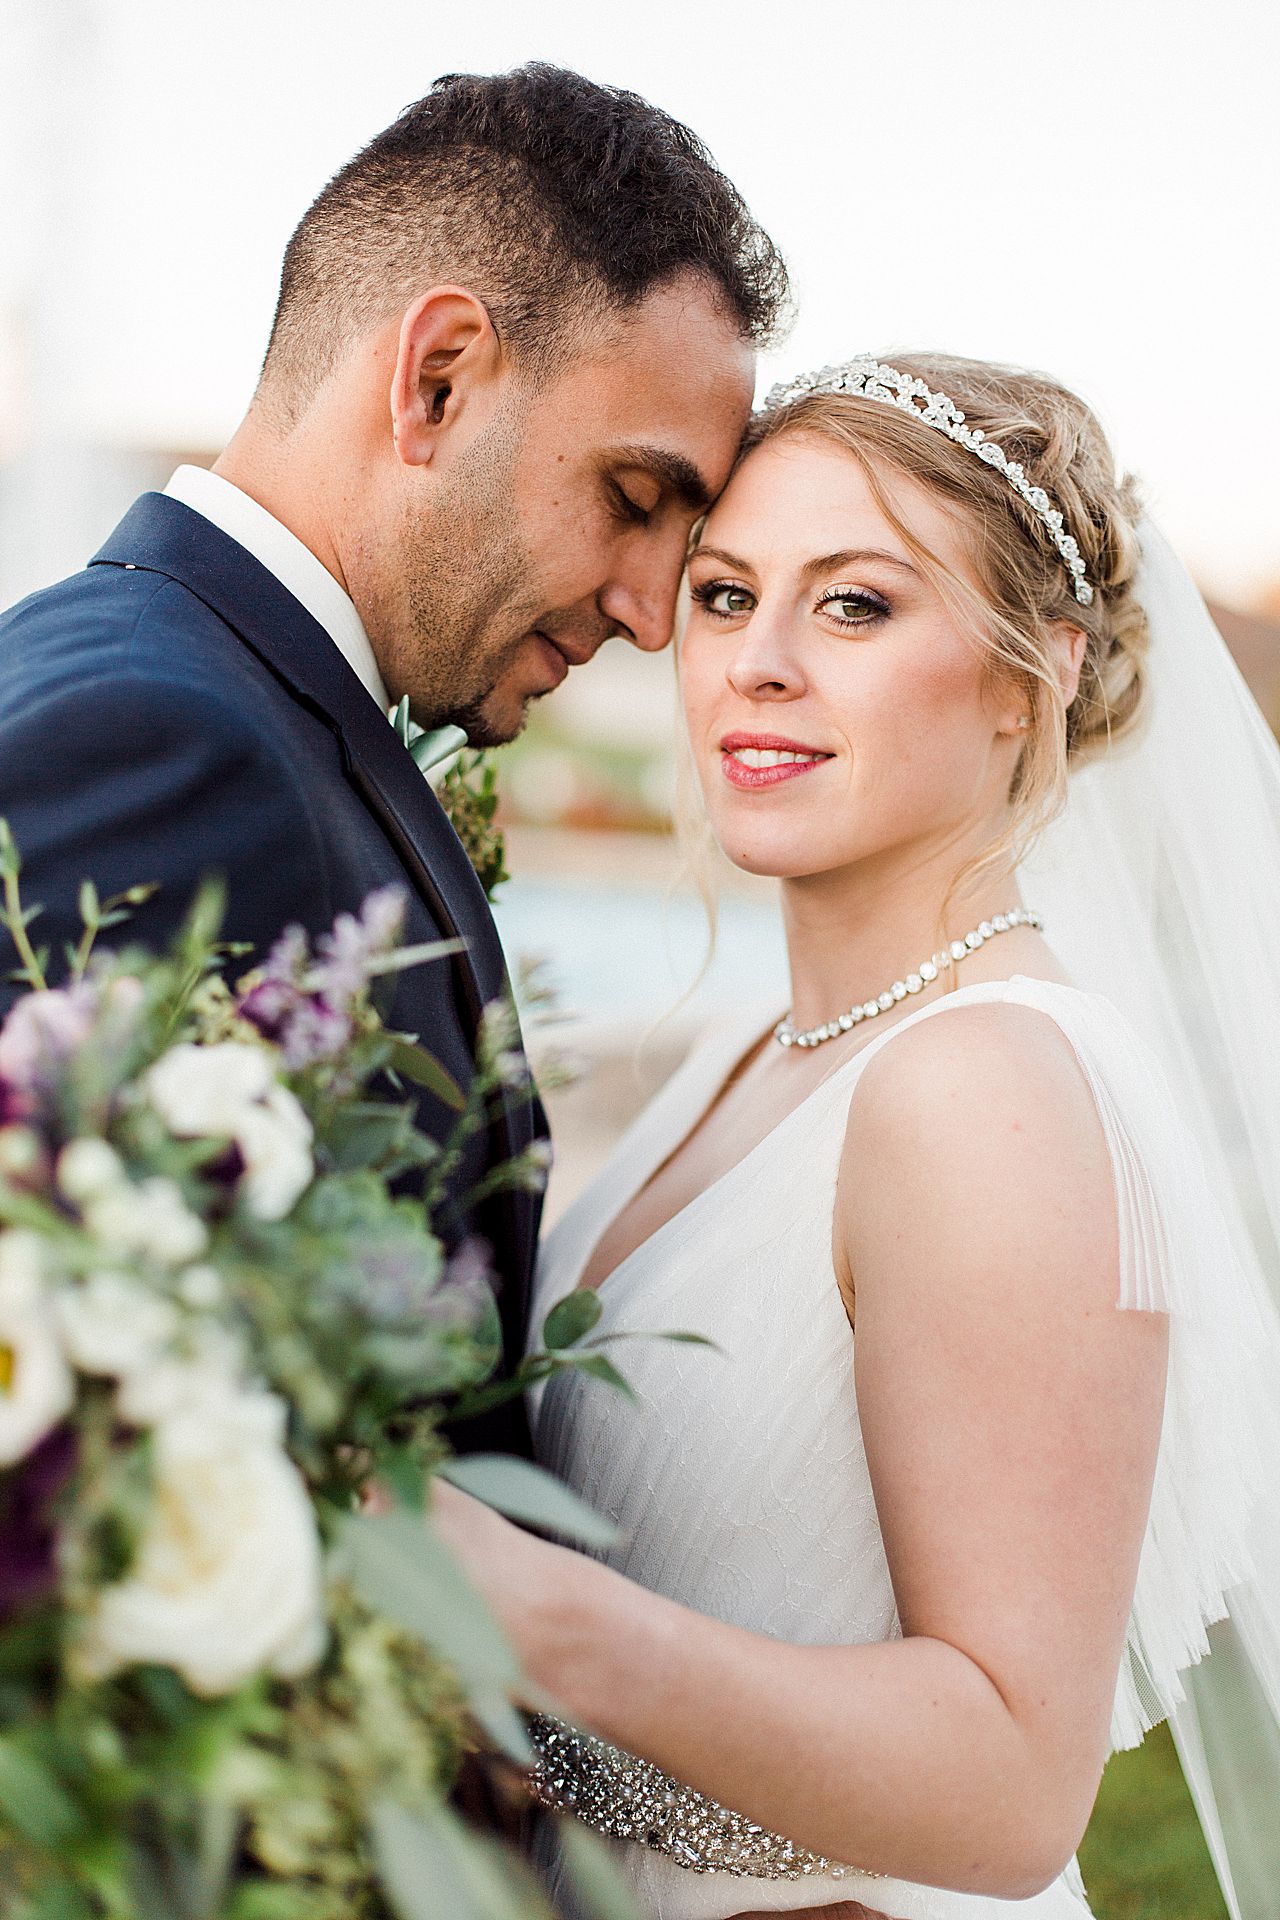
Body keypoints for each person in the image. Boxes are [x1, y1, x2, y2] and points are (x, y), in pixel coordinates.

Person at [433, 353, 1280, 1918]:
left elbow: (1013, 1786)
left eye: (857, 605)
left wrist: (513, 1607)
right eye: (725, 595)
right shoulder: (771, 1038)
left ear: (1034, 676)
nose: (757, 662)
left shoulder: (985, 1089)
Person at [0, 63, 783, 1456]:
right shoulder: (172, 748)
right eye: (632, 497)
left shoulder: (162, 677)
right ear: (436, 380)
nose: (654, 613)